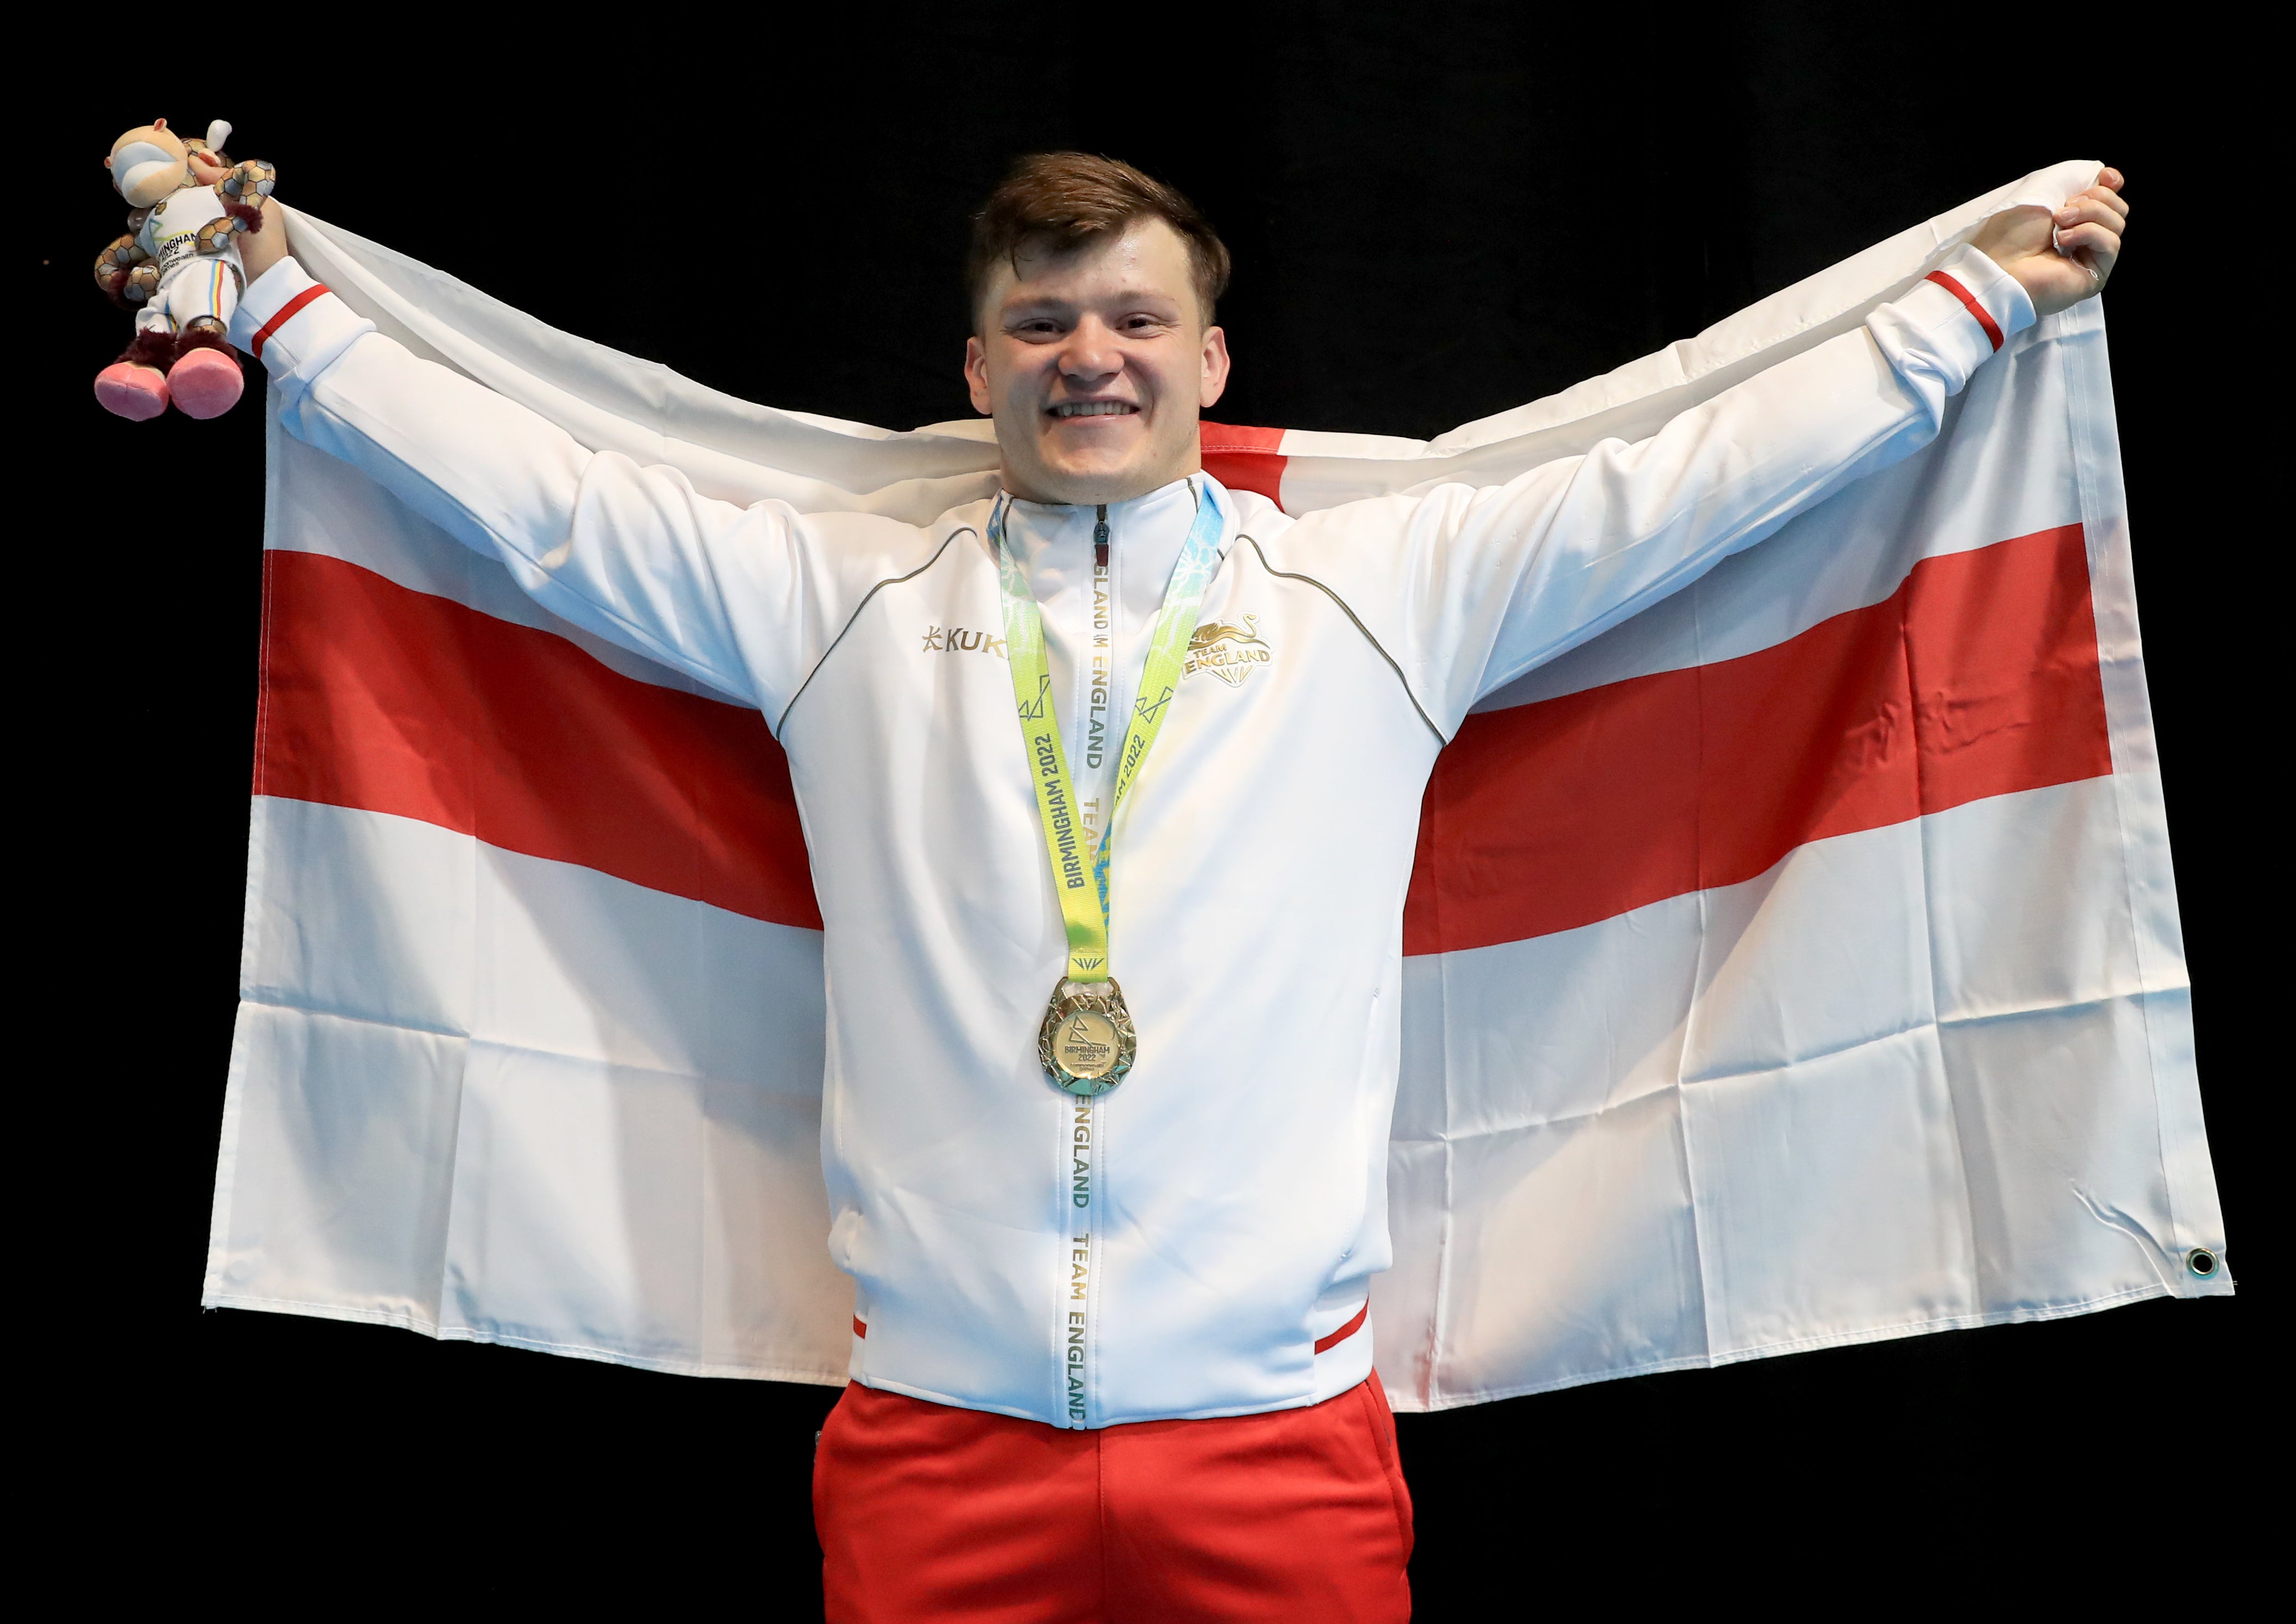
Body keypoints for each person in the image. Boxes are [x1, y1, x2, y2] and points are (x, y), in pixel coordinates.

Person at [226, 152, 2127, 1620]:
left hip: (1279, 1444)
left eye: (1132, 319)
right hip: (932, 1446)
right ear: (974, 368)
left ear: (1210, 360)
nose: (1089, 358)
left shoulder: (1379, 595)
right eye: (1040, 322)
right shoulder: (826, 603)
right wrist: (277, 303)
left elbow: (1698, 477)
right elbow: (543, 496)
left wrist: (1966, 301)